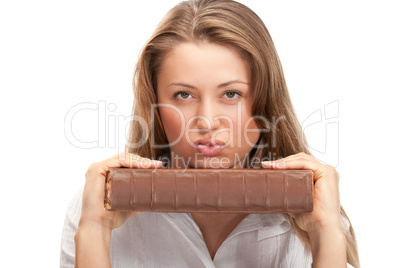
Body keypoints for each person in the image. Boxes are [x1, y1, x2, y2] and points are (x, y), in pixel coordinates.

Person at [60, 0, 360, 267]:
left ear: (266, 102)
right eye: (183, 95)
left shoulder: (315, 211)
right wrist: (93, 231)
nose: (206, 121)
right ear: (155, 105)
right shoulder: (99, 204)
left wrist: (328, 235)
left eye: (231, 93)